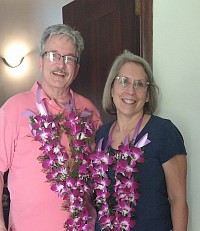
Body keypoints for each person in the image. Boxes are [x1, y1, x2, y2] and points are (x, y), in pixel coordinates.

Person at [0, 24, 102, 231]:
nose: (61, 65)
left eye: (69, 58)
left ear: (77, 68)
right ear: (40, 61)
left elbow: (99, 174)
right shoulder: (13, 108)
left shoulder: (89, 111)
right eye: (53, 55)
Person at [94, 50, 188, 231]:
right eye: (124, 81)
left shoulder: (164, 131)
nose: (131, 90)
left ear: (147, 95)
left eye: (139, 84)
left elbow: (178, 199)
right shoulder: (101, 135)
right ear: (112, 88)